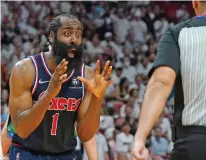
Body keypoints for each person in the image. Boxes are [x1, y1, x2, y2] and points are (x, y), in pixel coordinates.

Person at [8, 14, 113, 160]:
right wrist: (49, 95)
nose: (74, 39)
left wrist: (97, 98)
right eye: (67, 33)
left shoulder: (87, 75)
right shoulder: (26, 70)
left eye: (78, 34)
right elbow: (22, 130)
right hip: (28, 152)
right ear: (52, 36)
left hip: (65, 154)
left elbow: (85, 135)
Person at [131, 1, 206, 160]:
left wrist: (140, 138)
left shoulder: (178, 33)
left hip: (195, 144)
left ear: (195, 3)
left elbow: (161, 82)